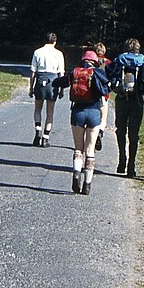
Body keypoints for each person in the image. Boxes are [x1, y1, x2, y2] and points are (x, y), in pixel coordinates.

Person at [57, 50, 110, 195]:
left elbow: (58, 82)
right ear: (95, 62)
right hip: (93, 113)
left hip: (77, 113)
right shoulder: (98, 73)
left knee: (78, 149)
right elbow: (107, 88)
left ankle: (76, 172)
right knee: (90, 150)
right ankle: (87, 183)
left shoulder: (75, 72)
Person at [109, 38, 144, 178]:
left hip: (122, 99)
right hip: (136, 100)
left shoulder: (120, 59)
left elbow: (108, 72)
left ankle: (122, 159)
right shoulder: (142, 61)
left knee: (121, 130)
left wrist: (114, 87)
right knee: (134, 133)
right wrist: (142, 89)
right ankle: (132, 165)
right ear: (138, 48)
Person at [29, 32, 65, 147]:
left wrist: (31, 87)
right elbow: (61, 73)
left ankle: (38, 130)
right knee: (50, 112)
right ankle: (45, 137)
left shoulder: (37, 52)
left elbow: (33, 71)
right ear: (55, 41)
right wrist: (61, 89)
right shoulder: (58, 54)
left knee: (37, 109)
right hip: (53, 81)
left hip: (40, 80)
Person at [92, 41, 111, 151]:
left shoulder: (90, 62)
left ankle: (92, 137)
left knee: (93, 117)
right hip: (104, 94)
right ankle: (100, 132)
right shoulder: (107, 62)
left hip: (92, 94)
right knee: (103, 117)